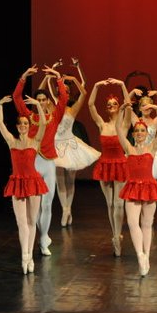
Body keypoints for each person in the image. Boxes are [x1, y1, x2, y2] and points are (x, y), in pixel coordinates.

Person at [12, 65, 66, 256]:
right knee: (33, 206)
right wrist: (24, 77)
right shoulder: (28, 117)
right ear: (35, 102)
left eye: (44, 100)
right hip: (32, 164)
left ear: (48, 101)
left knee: (47, 204)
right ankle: (36, 236)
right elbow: (16, 98)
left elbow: (63, 99)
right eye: (39, 100)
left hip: (48, 163)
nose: (41, 102)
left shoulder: (54, 116)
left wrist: (58, 77)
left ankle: (43, 238)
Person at [45, 60, 101, 227]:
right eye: (63, 90)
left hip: (71, 145)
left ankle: (68, 208)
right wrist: (54, 70)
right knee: (59, 179)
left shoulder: (73, 109)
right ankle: (65, 210)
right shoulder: (52, 106)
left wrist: (77, 71)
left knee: (70, 179)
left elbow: (84, 90)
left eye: (68, 91)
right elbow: (48, 86)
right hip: (56, 145)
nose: (65, 93)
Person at [0, 95, 48, 274]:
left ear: (29, 125)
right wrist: (0, 105)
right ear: (17, 126)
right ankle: (24, 255)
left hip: (33, 183)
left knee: (32, 221)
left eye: (26, 123)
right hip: (17, 183)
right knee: (21, 222)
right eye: (20, 123)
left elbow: (43, 124)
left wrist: (38, 105)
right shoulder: (12, 141)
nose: (23, 126)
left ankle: (30, 256)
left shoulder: (35, 142)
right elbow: (0, 124)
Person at [116, 100, 157, 276]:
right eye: (136, 131)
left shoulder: (152, 147)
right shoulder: (128, 148)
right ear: (133, 133)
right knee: (132, 223)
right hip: (132, 188)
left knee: (147, 224)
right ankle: (140, 254)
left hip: (149, 187)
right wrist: (121, 111)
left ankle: (147, 256)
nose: (139, 133)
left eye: (142, 131)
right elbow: (118, 129)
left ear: (146, 133)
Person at [88, 78, 131, 257]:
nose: (112, 106)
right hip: (105, 165)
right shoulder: (102, 124)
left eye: (115, 104)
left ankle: (117, 237)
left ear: (119, 107)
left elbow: (128, 104)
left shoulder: (124, 125)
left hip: (120, 165)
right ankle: (115, 235)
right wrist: (96, 86)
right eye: (109, 104)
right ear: (106, 108)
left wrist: (122, 85)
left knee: (119, 204)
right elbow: (91, 105)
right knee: (110, 203)